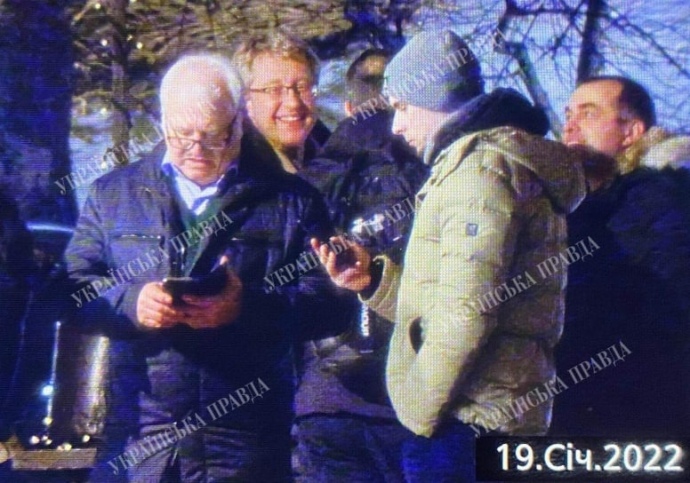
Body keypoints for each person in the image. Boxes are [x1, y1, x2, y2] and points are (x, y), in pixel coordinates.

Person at [313, 30, 587, 481]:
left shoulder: (478, 172)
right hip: (487, 416)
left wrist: (418, 413)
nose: (396, 126)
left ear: (433, 98)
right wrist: (376, 281)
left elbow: (466, 313)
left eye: (401, 107)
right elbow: (457, 301)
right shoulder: (485, 164)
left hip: (465, 423)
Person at [65, 52, 342, 482]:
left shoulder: (291, 199)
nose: (196, 150)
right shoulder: (113, 194)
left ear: (239, 122)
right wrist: (130, 302)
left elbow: (331, 304)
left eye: (213, 137)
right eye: (182, 135)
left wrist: (246, 309)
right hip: (143, 438)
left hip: (246, 443)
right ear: (162, 122)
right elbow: (70, 291)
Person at [293, 48, 428, 482]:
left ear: (350, 107)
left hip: (328, 399)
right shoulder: (438, 167)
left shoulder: (310, 177)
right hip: (416, 399)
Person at [550, 76, 690, 437]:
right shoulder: (583, 205)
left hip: (637, 420)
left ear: (631, 132)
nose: (570, 125)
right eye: (568, 114)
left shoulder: (656, 197)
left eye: (588, 113)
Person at [232, 29, 331, 175]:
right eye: (274, 89)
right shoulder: (243, 176)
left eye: (302, 87)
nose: (293, 102)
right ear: (246, 100)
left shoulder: (332, 151)